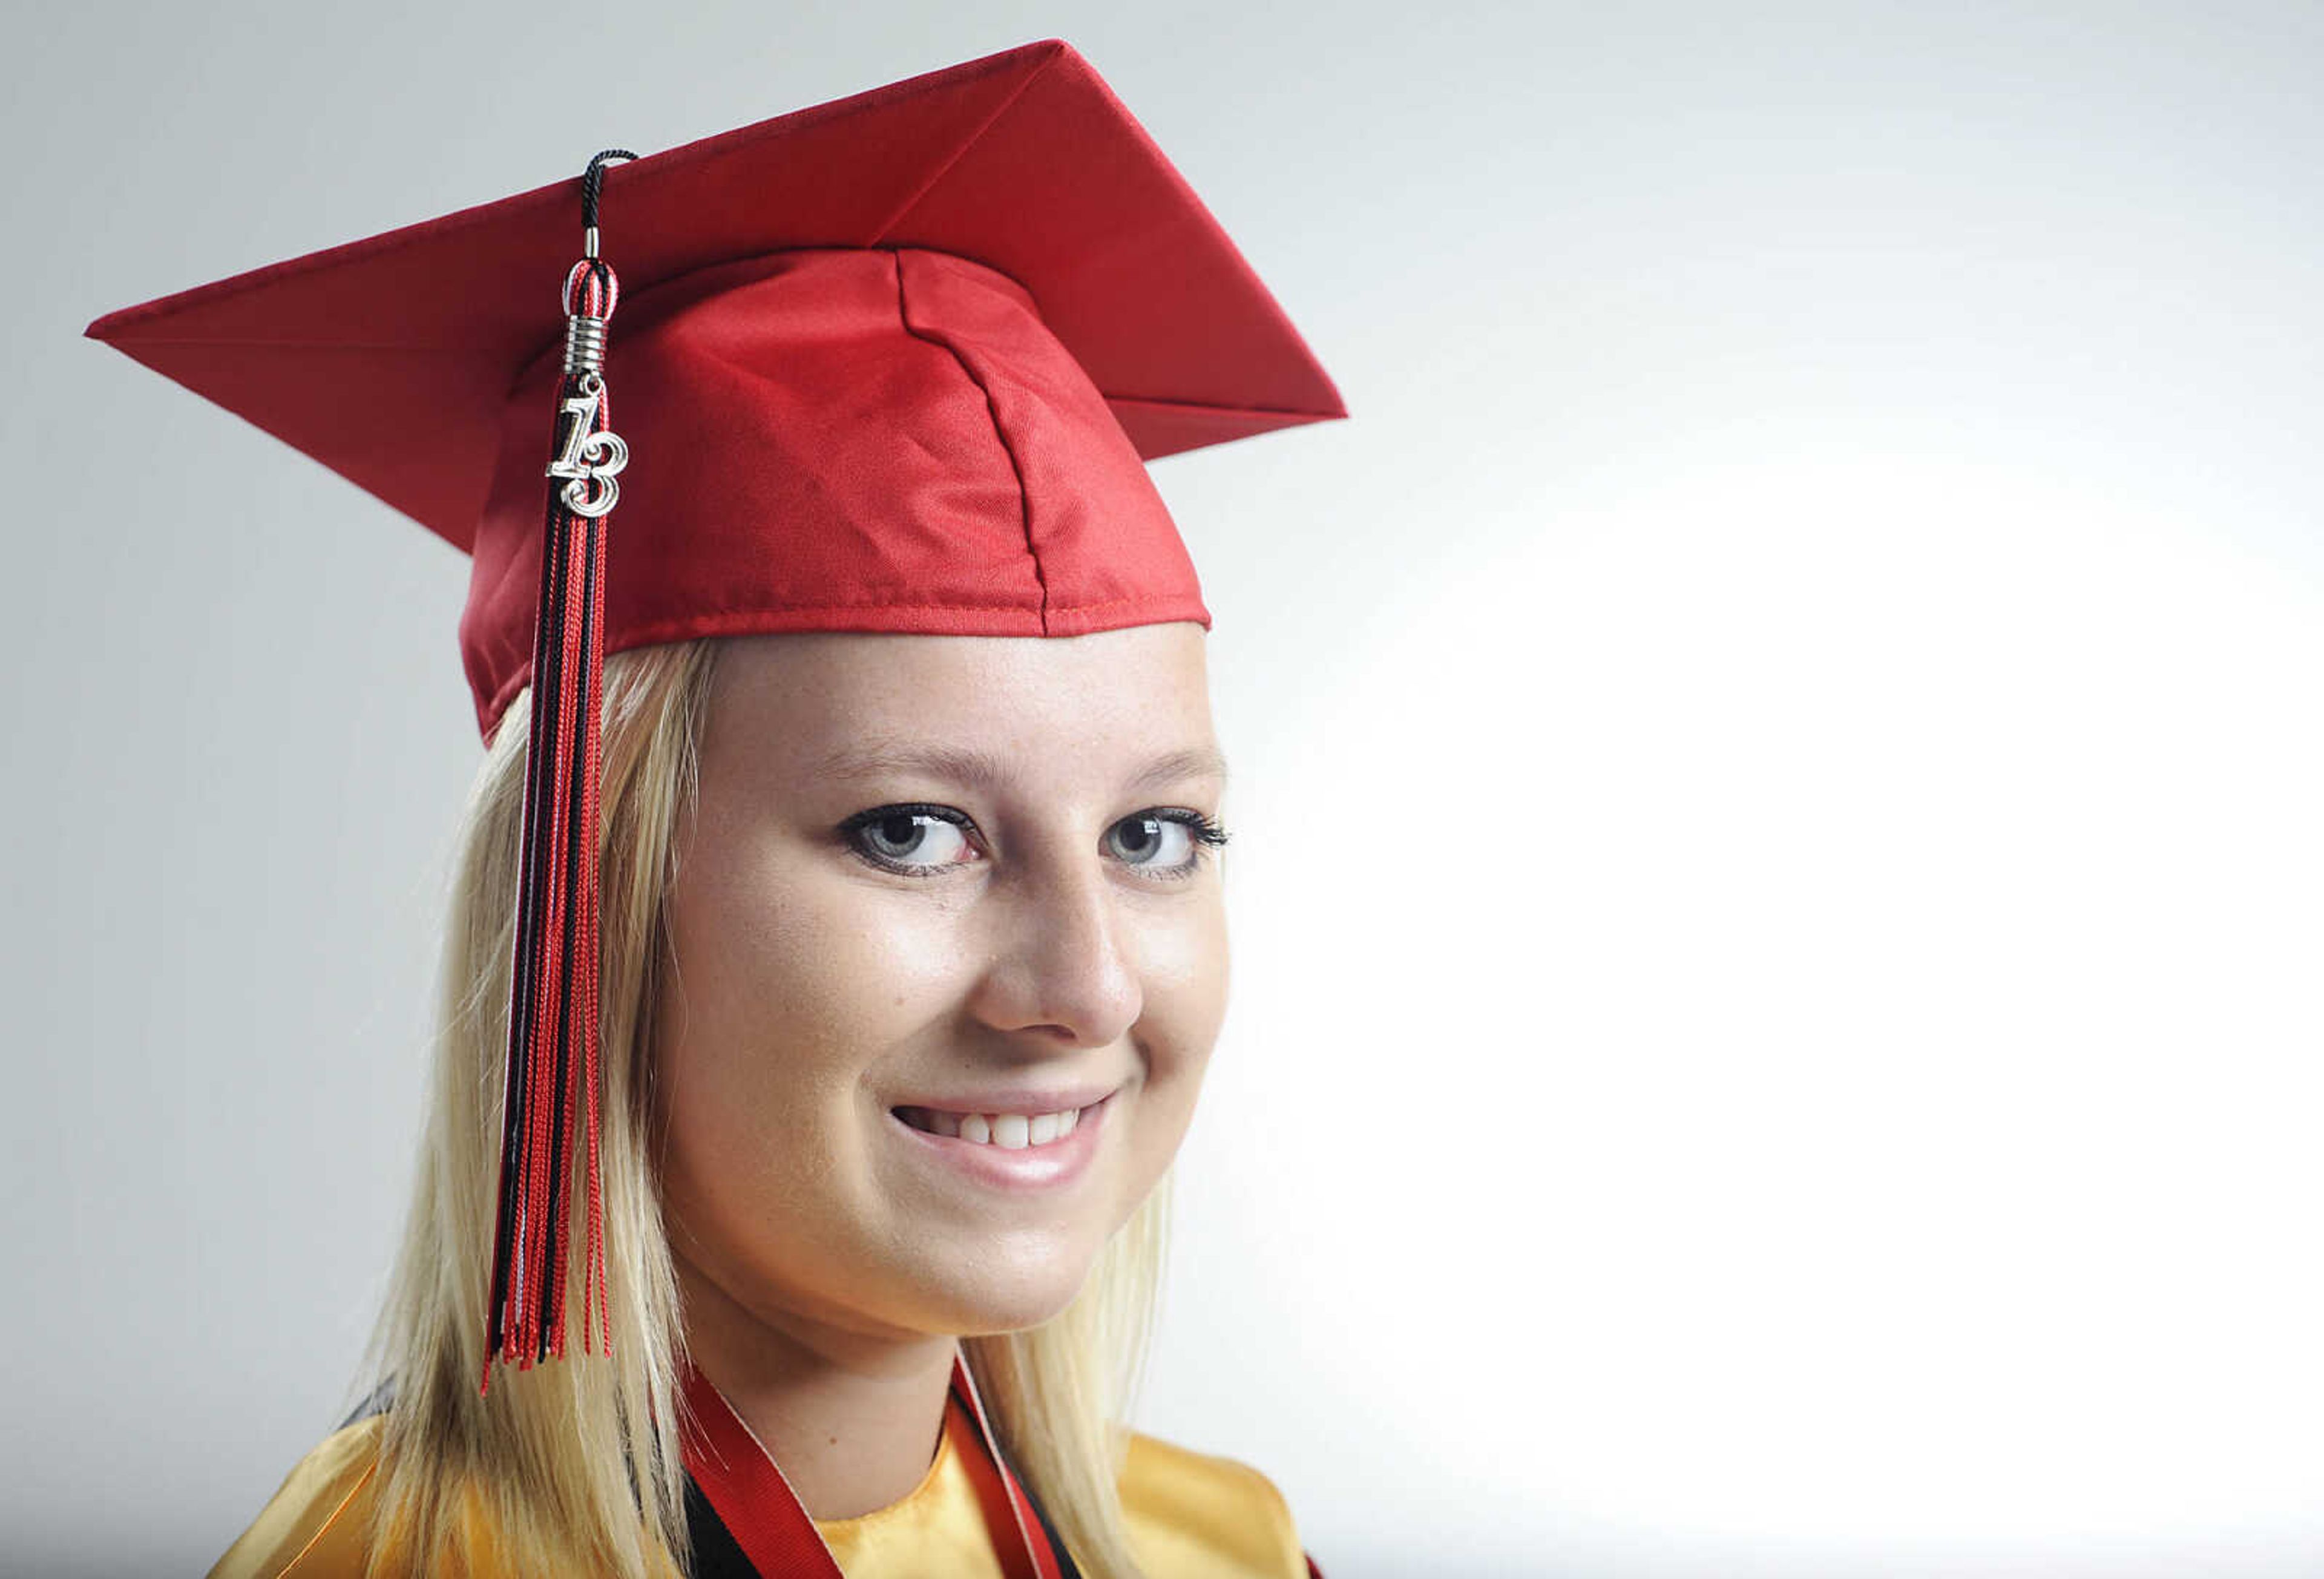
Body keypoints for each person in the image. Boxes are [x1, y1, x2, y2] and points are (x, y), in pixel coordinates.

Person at [87, 38, 1342, 1579]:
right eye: (912, 829)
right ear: (582, 897)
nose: (1083, 987)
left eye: (1154, 837)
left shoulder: (1217, 1548)